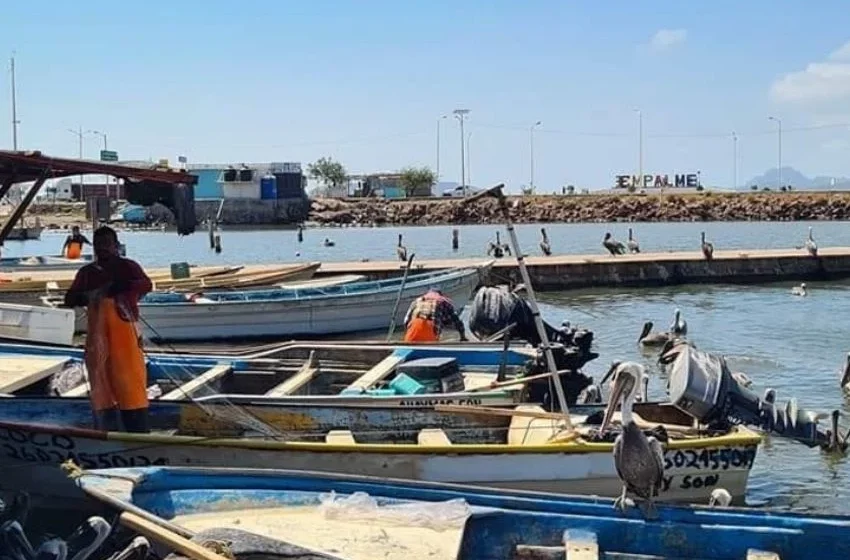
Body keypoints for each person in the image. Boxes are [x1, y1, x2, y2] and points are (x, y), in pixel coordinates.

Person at [63, 226, 152, 433]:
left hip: (124, 334)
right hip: (97, 337)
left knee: (130, 382)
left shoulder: (128, 267)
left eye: (107, 244)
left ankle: (137, 431)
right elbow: (70, 299)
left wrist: (118, 288)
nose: (102, 249)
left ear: (116, 245)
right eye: (98, 245)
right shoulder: (87, 273)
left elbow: (146, 285)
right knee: (101, 383)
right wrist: (88, 296)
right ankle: (105, 430)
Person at [403, 288, 467, 343]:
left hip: (411, 334)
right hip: (429, 336)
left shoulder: (416, 301)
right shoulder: (443, 302)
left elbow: (406, 321)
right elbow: (457, 322)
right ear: (440, 294)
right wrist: (463, 337)